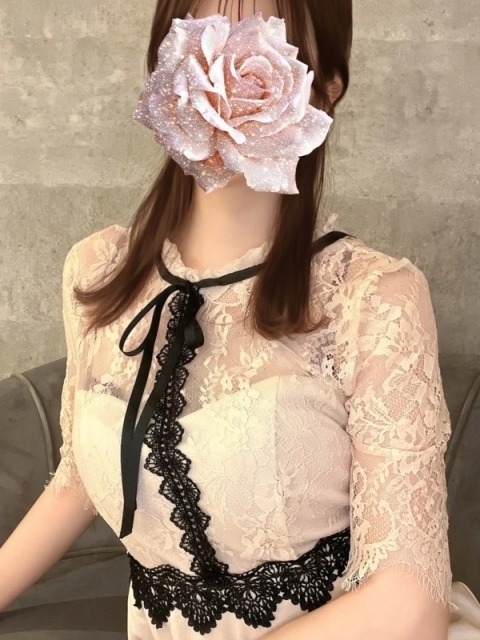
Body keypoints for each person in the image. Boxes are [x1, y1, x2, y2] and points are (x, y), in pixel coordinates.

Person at [1, 0, 472, 638]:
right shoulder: (95, 271)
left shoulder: (372, 296)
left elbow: (409, 603)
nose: (220, 77)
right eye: (202, 41)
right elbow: (80, 477)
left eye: (261, 47)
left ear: (326, 88)